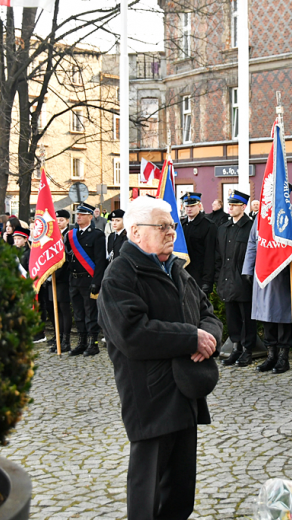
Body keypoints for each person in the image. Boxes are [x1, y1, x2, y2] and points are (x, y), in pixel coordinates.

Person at [97, 196, 222, 520]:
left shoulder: (177, 270)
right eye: (163, 226)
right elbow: (132, 334)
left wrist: (208, 338)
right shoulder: (120, 276)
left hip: (185, 392)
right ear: (136, 232)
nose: (171, 232)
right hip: (150, 397)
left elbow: (208, 315)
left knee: (181, 492)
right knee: (147, 494)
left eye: (173, 226)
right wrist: (190, 337)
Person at [242, 183, 292, 373]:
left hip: (283, 275)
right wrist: (248, 269)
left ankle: (283, 358)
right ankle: (271, 355)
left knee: (282, 317)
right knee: (266, 316)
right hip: (263, 274)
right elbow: (253, 242)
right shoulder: (262, 216)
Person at [215, 190, 256, 366]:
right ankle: (236, 348)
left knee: (247, 317)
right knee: (232, 317)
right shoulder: (224, 228)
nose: (230, 207)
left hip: (244, 280)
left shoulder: (251, 227)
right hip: (227, 279)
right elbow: (218, 256)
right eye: (229, 204)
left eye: (234, 205)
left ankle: (248, 350)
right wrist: (218, 277)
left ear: (244, 207)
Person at [66, 202, 108, 357]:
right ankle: (81, 342)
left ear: (90, 217)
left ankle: (93, 343)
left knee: (90, 312)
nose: (78, 217)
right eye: (77, 214)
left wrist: (96, 282)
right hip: (74, 280)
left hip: (88, 280)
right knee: (78, 313)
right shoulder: (72, 234)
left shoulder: (97, 235)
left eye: (82, 214)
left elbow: (100, 261)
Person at [181, 192, 217, 295]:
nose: (189, 209)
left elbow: (210, 254)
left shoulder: (208, 226)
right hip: (183, 274)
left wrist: (207, 280)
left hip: (199, 276)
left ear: (199, 206)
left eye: (192, 206)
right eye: (187, 206)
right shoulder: (182, 225)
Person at [48, 209, 73, 353]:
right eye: (57, 220)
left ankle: (66, 341)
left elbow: (67, 259)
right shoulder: (53, 236)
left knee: (64, 309)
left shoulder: (69, 236)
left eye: (62, 220)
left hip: (62, 278)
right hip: (52, 278)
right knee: (54, 309)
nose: (59, 222)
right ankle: (58, 337)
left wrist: (56, 274)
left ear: (68, 221)